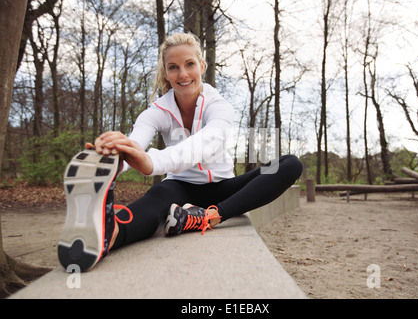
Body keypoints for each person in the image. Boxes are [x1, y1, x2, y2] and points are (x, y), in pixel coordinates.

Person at [58, 33, 303, 272]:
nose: (183, 74)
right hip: (181, 187)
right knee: (157, 197)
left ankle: (211, 217)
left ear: (202, 66)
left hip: (225, 190)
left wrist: (151, 162)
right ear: (166, 73)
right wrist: (112, 157)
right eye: (173, 67)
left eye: (189, 65)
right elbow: (136, 144)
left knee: (289, 164)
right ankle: (110, 234)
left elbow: (202, 144)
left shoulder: (219, 106)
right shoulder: (156, 111)